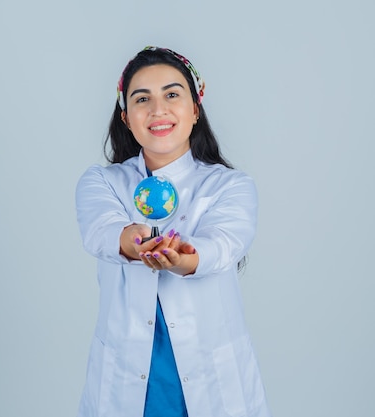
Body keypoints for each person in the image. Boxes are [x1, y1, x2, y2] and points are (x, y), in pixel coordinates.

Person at [75, 46, 272, 417]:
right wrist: (136, 241)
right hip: (128, 384)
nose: (157, 109)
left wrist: (184, 257)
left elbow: (224, 243)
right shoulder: (102, 181)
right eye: (142, 99)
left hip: (212, 384)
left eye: (172, 94)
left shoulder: (230, 186)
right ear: (126, 117)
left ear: (195, 110)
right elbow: (102, 231)